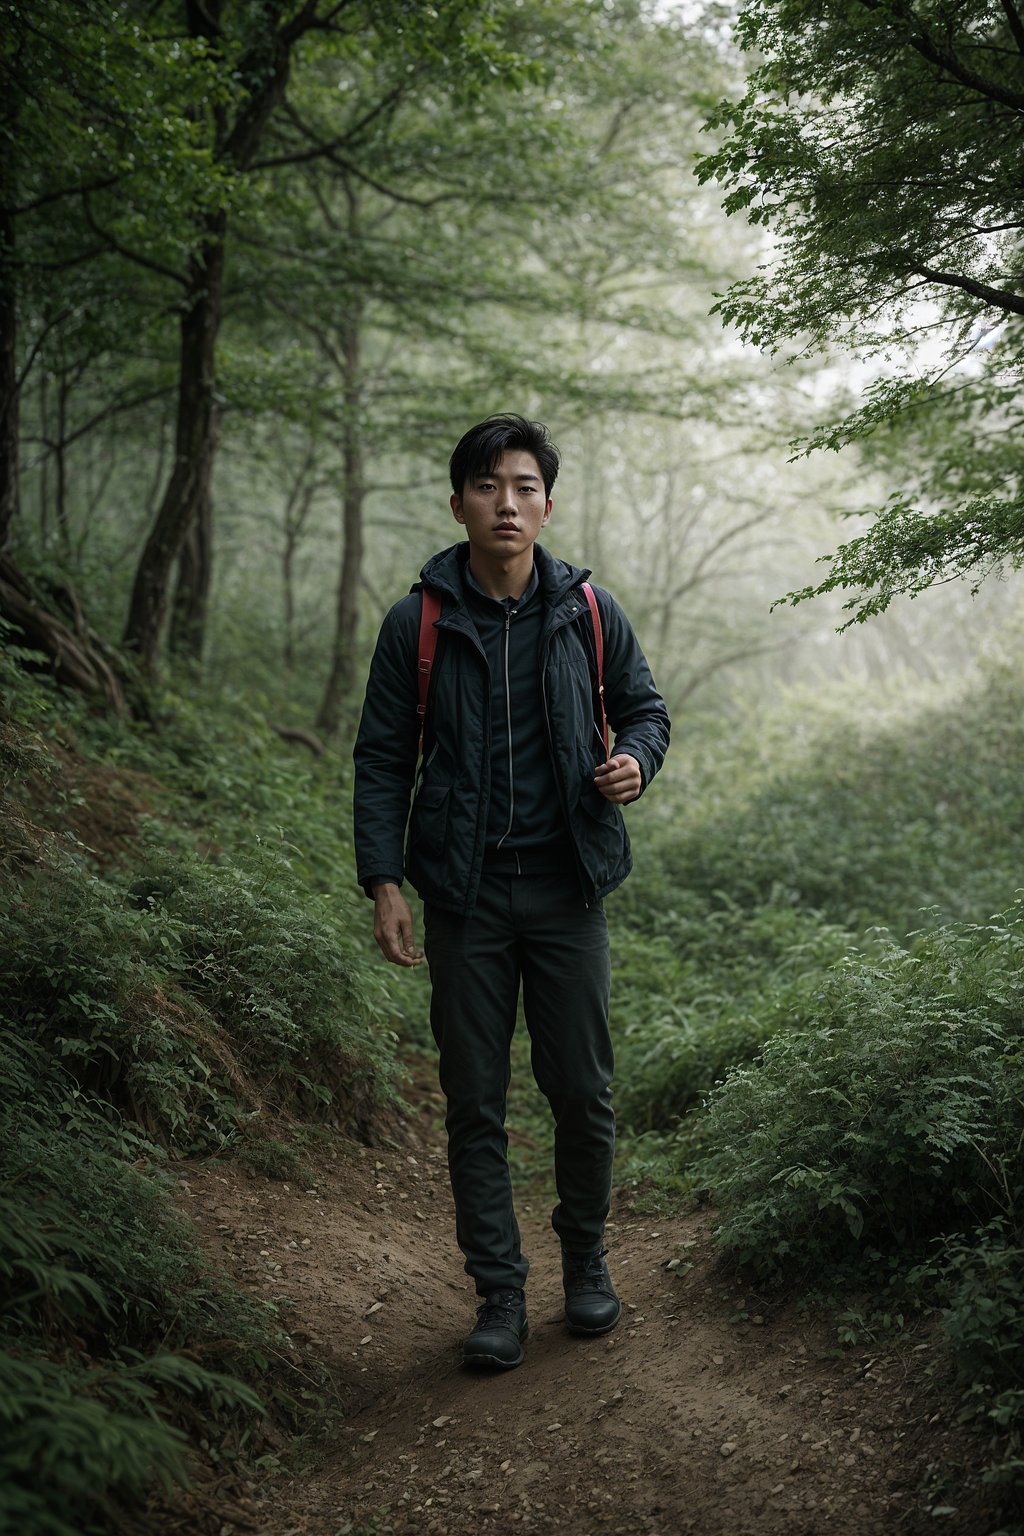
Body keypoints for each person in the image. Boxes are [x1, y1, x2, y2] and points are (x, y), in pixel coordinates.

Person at [352, 414, 670, 1370]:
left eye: (524, 485)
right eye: (488, 486)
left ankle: (586, 1266)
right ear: (458, 504)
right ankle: (497, 1292)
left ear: (546, 502)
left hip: (570, 891)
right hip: (466, 897)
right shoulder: (420, 622)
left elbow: (647, 712)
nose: (507, 502)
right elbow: (381, 759)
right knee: (474, 1100)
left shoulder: (587, 610)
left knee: (583, 1090)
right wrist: (384, 881)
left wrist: (633, 764)